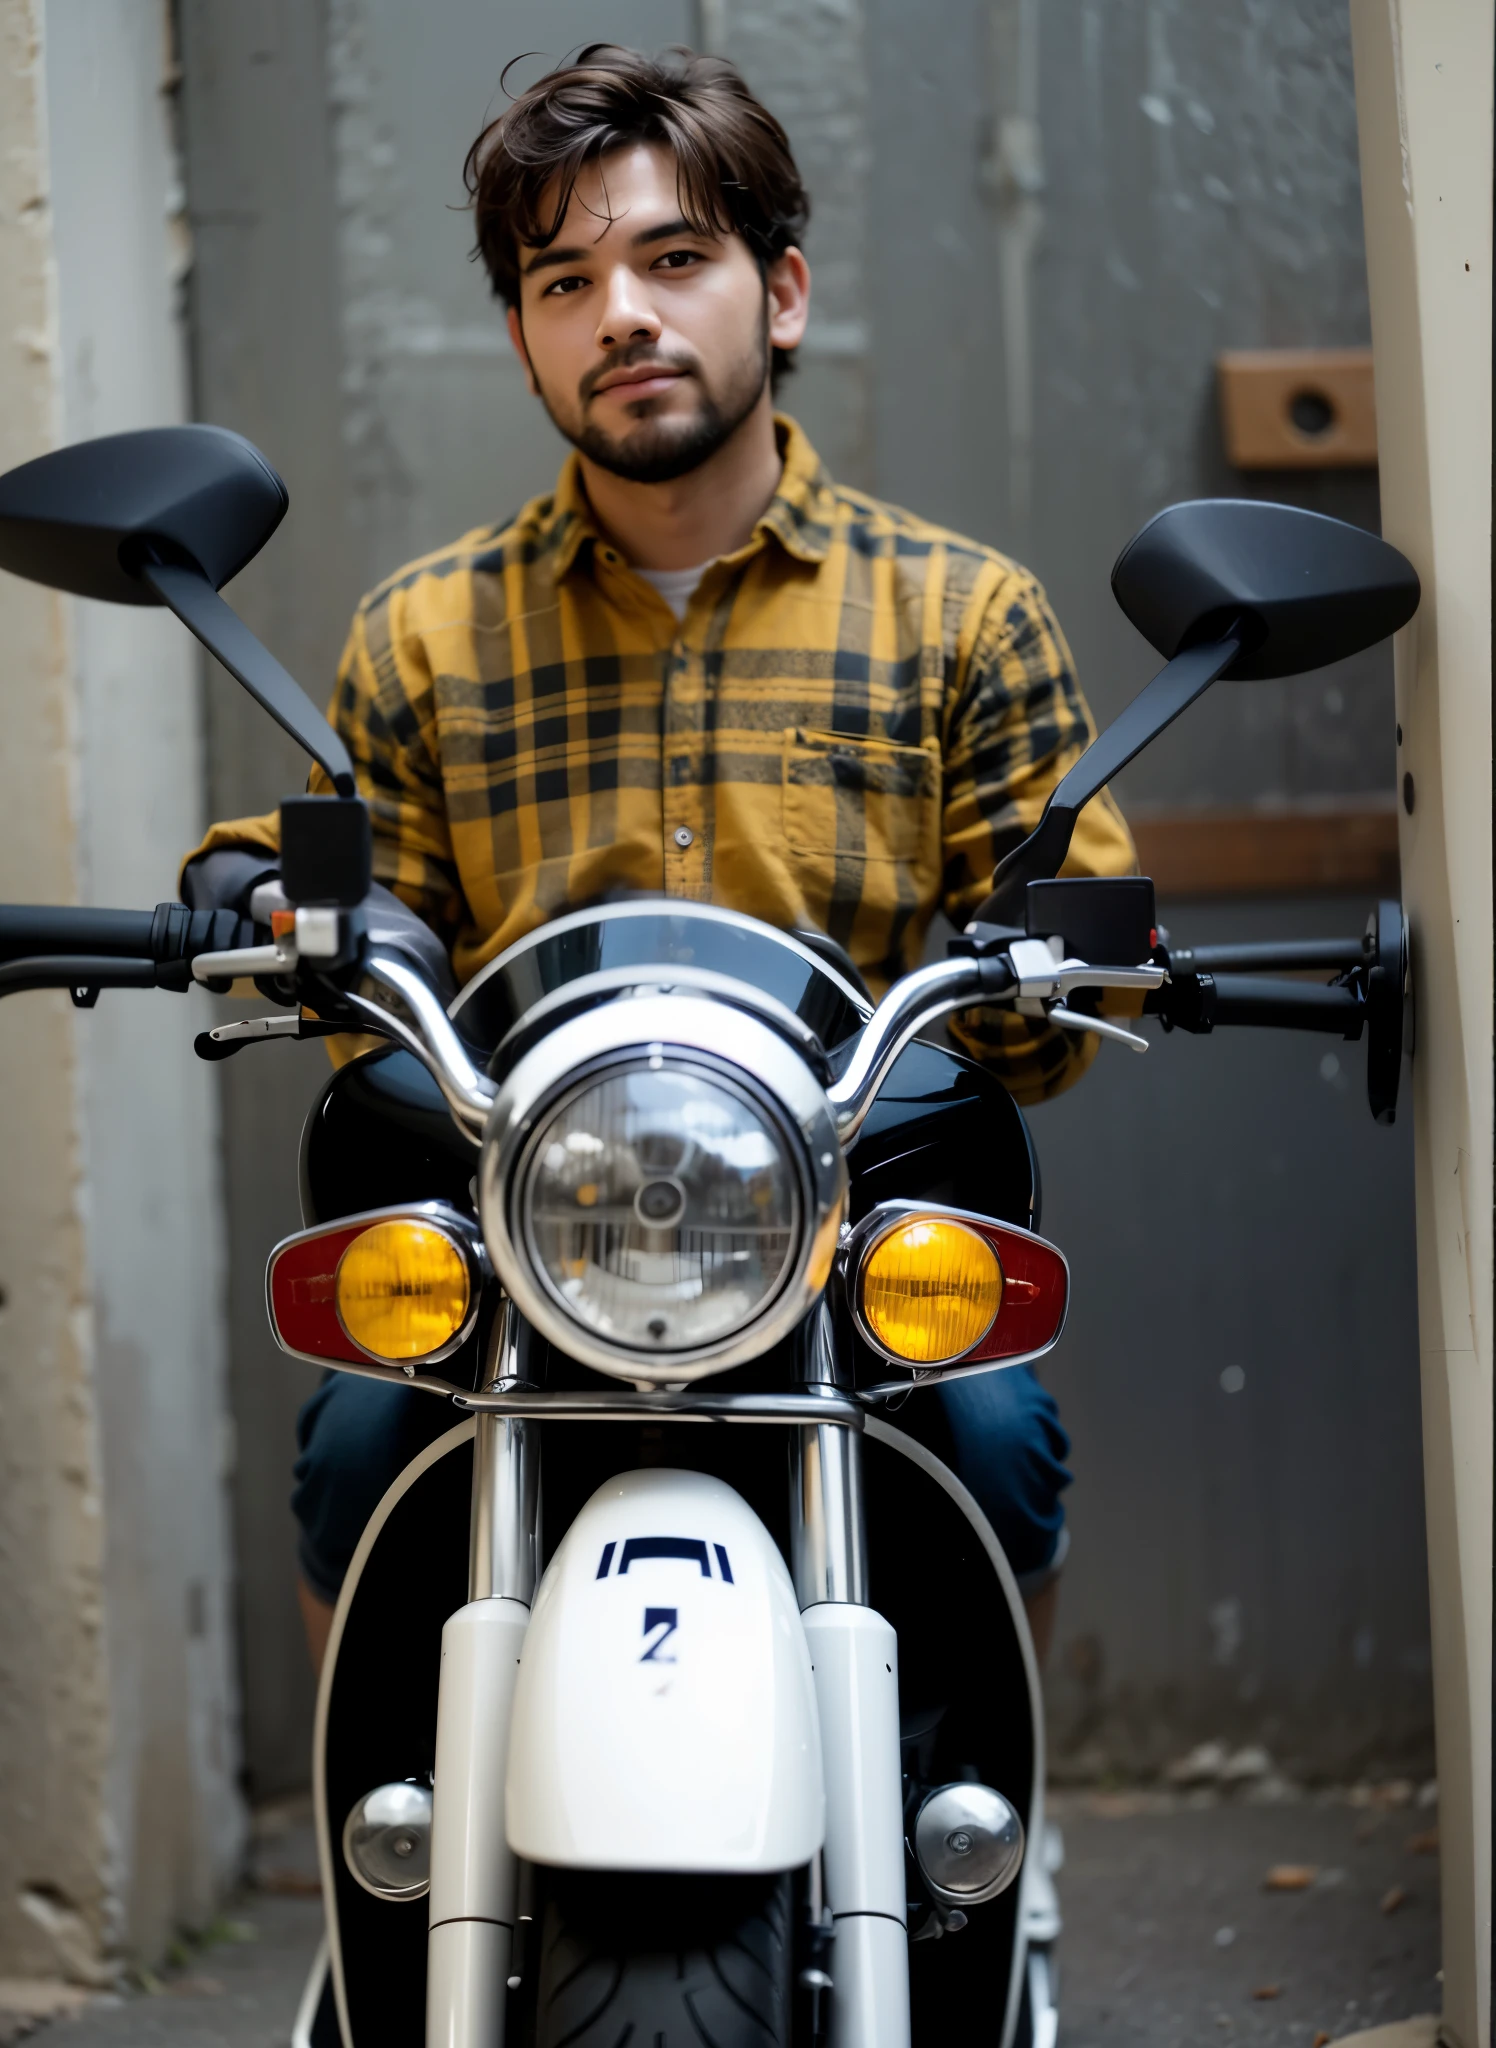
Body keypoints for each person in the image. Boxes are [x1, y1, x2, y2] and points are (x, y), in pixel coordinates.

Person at [181, 44, 1136, 1677]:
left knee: (996, 1431)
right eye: (566, 280)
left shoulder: (960, 615)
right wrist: (255, 892)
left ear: (780, 294)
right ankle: (393, 1872)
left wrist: (1072, 939)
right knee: (355, 1445)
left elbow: (1060, 983)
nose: (621, 311)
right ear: (525, 342)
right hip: (526, 1233)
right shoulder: (426, 634)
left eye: (674, 258)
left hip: (846, 1224)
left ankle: (987, 1837)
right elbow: (352, 925)